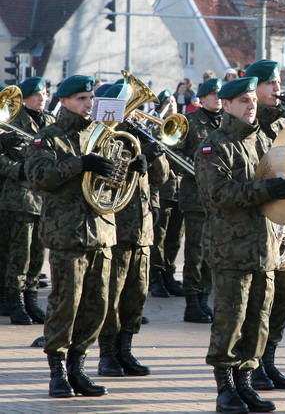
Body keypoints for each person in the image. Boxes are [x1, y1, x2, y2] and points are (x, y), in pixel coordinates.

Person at [197, 76, 285, 413]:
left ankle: (245, 384)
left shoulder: (262, 140)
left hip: (264, 246)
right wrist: (266, 191)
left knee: (257, 320)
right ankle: (225, 389)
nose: (252, 106)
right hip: (231, 249)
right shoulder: (215, 145)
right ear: (226, 105)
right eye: (244, 101)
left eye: (253, 100)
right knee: (230, 320)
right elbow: (219, 194)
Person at [25, 75, 118, 398]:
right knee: (65, 305)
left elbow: (115, 184)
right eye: (81, 98)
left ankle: (78, 368)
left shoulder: (104, 136)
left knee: (97, 306)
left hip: (101, 234)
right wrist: (79, 164)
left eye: (90, 98)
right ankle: (57, 372)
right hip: (68, 235)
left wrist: (131, 166)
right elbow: (38, 177)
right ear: (63, 102)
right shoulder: (48, 137)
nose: (88, 104)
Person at [95, 84, 169, 378]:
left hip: (142, 231)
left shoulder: (137, 136)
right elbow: (105, 181)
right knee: (111, 297)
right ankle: (107, 355)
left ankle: (125, 350)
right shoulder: (104, 137)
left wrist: (154, 154)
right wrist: (135, 162)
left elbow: (161, 178)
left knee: (135, 296)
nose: (133, 110)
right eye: (127, 104)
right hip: (117, 232)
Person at [242, 59, 285, 390]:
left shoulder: (283, 122)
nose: (278, 89)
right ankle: (252, 365)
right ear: (254, 88)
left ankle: (269, 360)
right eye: (271, 84)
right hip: (256, 225)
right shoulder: (248, 124)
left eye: (278, 83)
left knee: (282, 298)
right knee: (258, 303)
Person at [0, 77, 54, 325]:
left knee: (37, 254)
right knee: (18, 255)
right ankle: (16, 302)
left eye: (43, 94)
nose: (41, 99)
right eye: (36, 95)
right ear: (23, 99)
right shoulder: (10, 120)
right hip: (19, 197)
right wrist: (18, 171)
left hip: (44, 197)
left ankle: (31, 298)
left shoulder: (52, 122)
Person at [174, 78, 223, 323]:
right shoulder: (190, 122)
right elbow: (174, 154)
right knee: (195, 253)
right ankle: (192, 302)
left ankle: (204, 299)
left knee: (213, 251)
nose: (217, 97)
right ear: (201, 99)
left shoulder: (228, 121)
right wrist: (195, 167)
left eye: (220, 94)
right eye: (212, 94)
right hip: (195, 197)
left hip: (220, 197)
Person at [148, 89, 185, 298]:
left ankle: (169, 274)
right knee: (159, 237)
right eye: (167, 102)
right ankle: (156, 277)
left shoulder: (180, 124)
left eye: (173, 102)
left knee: (175, 237)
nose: (171, 105)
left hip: (180, 190)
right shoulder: (153, 125)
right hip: (162, 190)